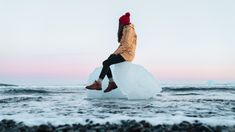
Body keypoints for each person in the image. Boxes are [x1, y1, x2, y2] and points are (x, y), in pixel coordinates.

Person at [85, 12, 137, 93]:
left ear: (123, 22)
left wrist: (115, 53)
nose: (119, 24)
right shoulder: (126, 29)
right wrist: (115, 53)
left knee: (106, 63)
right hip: (123, 52)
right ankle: (111, 83)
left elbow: (126, 45)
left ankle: (99, 83)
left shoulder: (129, 30)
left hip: (128, 54)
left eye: (120, 22)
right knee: (105, 62)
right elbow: (120, 42)